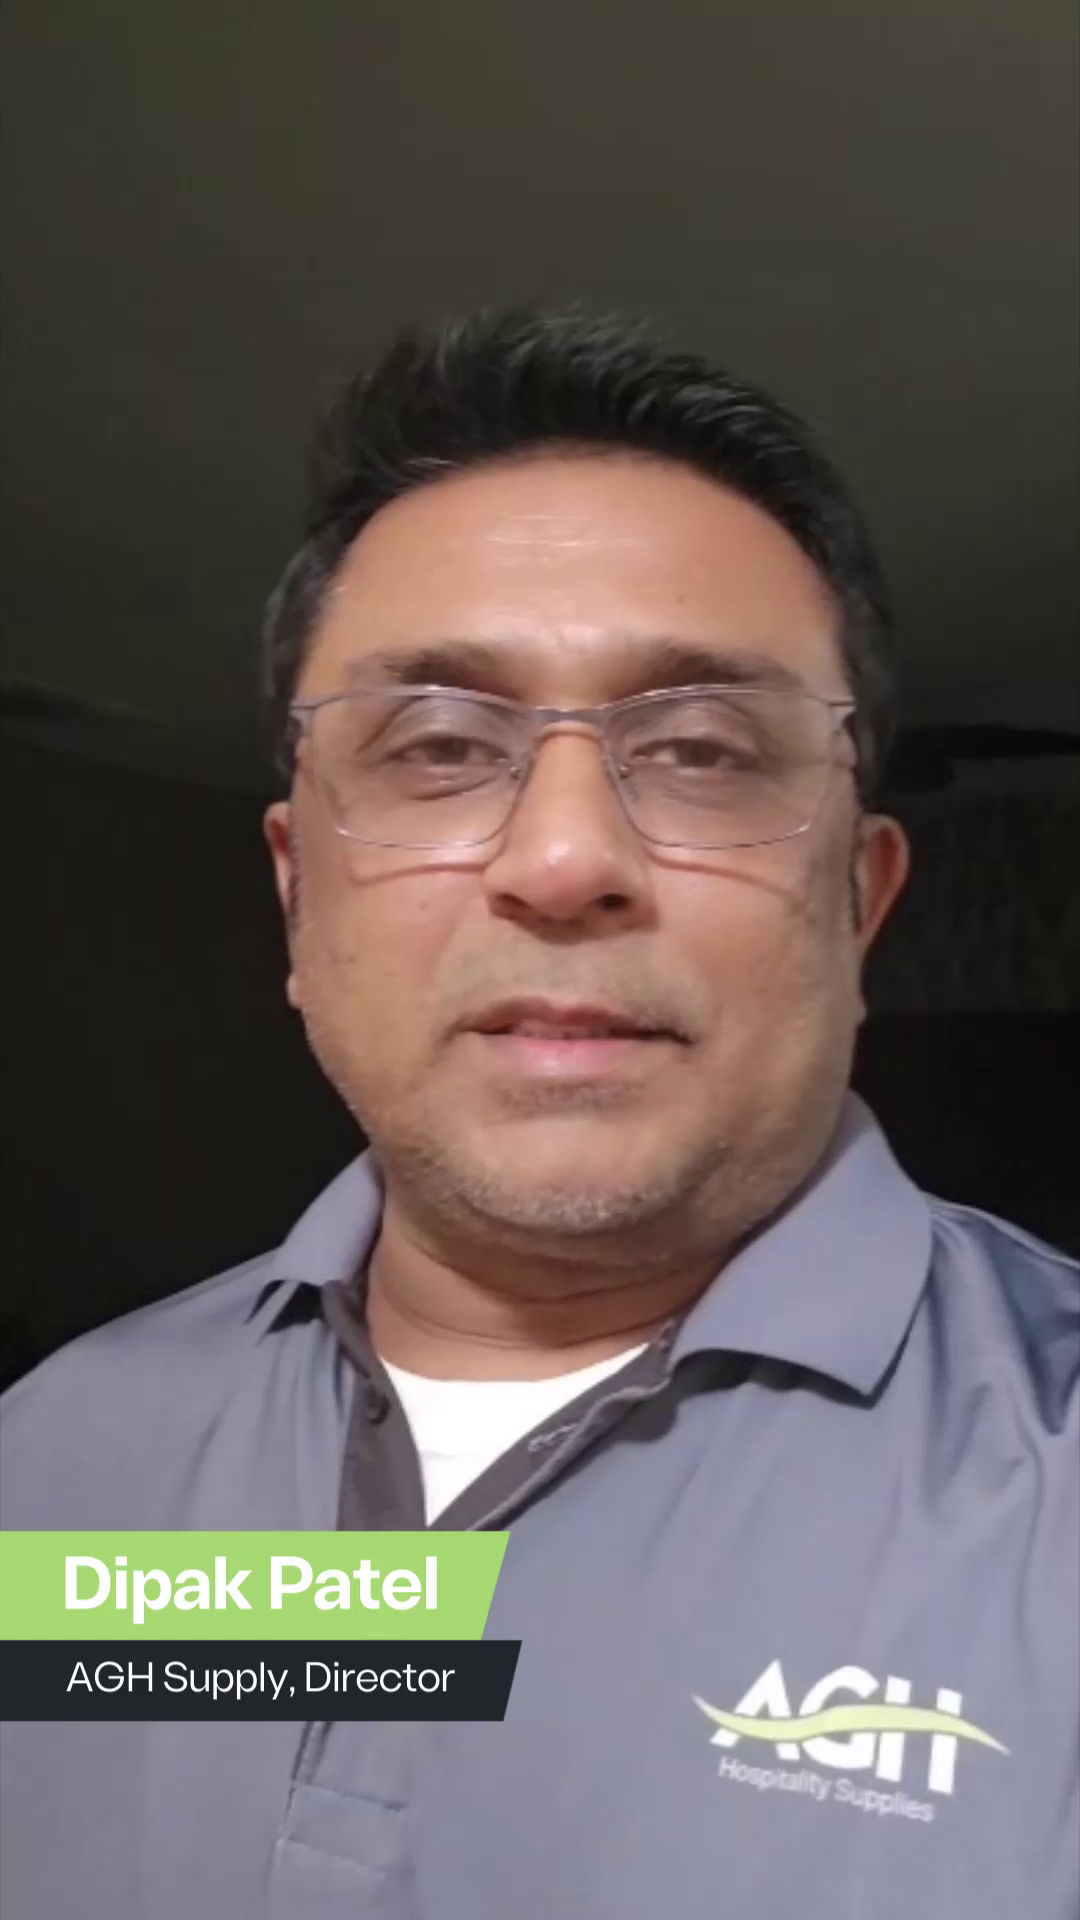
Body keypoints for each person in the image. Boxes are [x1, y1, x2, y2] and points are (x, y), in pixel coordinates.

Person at [1, 309, 1076, 1920]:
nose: (564, 859)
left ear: (859, 906)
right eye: (440, 747)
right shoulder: (70, 1449)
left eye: (704, 750)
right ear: (299, 899)